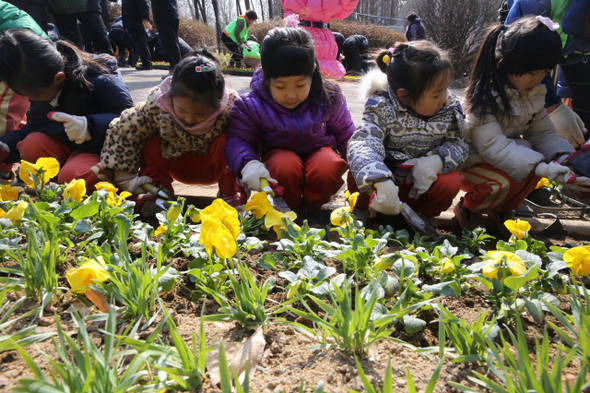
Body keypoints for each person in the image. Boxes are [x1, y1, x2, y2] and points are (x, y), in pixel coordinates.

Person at [455, 16, 590, 237]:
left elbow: (542, 134)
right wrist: (540, 165)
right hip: (470, 162)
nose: (538, 79)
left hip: (500, 157)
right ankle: (468, 208)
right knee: (505, 181)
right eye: (532, 72)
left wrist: (565, 158)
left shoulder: (533, 94)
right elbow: (492, 146)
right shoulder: (483, 99)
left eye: (545, 72)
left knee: (534, 170)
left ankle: (502, 210)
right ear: (504, 65)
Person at [224, 27, 355, 211]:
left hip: (319, 151)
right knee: (284, 165)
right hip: (278, 159)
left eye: (301, 85)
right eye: (280, 86)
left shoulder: (328, 96)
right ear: (266, 77)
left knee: (327, 165)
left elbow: (346, 133)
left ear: (313, 73)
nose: (291, 95)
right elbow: (238, 140)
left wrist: (361, 161)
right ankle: (285, 208)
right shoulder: (250, 105)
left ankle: (314, 209)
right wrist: (248, 164)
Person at [100, 50, 241, 207]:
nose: (188, 120)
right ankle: (161, 193)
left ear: (218, 104)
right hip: (175, 165)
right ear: (171, 96)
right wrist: (124, 176)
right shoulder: (157, 106)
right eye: (182, 111)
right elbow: (122, 129)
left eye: (199, 114)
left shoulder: (230, 111)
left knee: (230, 140)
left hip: (212, 169)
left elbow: (251, 137)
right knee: (149, 138)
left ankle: (228, 194)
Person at [347, 41, 468, 223]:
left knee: (450, 182)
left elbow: (459, 143)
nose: (445, 98)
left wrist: (438, 161)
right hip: (386, 186)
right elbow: (363, 143)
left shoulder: (449, 108)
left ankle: (423, 218)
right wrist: (380, 180)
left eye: (446, 89)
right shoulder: (382, 106)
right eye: (436, 95)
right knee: (359, 170)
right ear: (404, 96)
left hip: (419, 185)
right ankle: (364, 212)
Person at [0, 28, 134, 191]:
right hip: (70, 146)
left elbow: (129, 118)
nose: (31, 99)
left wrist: (89, 126)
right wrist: (6, 145)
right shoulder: (44, 87)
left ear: (59, 78)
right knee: (30, 144)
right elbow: (36, 125)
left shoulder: (101, 80)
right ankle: (66, 188)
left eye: (34, 94)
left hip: (103, 149)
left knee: (73, 176)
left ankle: (107, 188)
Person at [506, 0, 590, 148]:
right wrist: (552, 106)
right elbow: (524, 62)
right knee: (525, 102)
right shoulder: (532, 9)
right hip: (531, 40)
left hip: (578, 49)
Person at [0, 1, 49, 184]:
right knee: (15, 112)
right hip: (17, 48)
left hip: (20, 55)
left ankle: (3, 171)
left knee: (5, 111)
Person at [47, 0, 114, 55]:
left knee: (100, 41)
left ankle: (109, 66)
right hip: (59, 7)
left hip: (88, 5)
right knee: (70, 47)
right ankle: (76, 69)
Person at [122, 0, 152, 70]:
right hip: (132, 21)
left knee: (141, 43)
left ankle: (147, 63)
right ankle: (146, 62)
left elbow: (144, 4)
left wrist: (145, 18)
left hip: (137, 21)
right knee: (139, 43)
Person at [150, 0, 181, 69]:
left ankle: (175, 70)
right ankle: (176, 69)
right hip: (171, 13)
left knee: (170, 45)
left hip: (164, 14)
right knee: (173, 44)